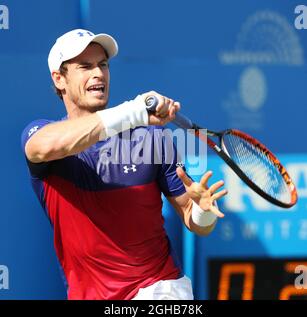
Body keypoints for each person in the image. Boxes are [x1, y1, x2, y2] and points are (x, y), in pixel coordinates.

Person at [21, 29, 227, 300]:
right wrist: (135, 111)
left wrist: (202, 211)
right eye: (85, 66)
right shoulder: (41, 134)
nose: (98, 74)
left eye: (103, 65)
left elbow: (195, 220)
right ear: (59, 79)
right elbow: (44, 146)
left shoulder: (152, 139)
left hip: (159, 289)